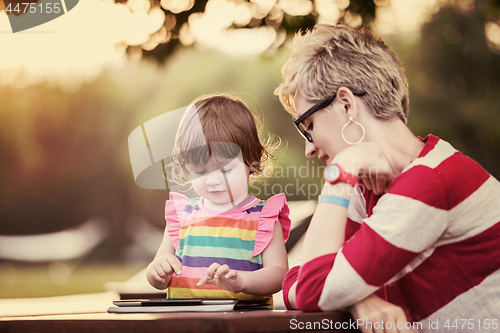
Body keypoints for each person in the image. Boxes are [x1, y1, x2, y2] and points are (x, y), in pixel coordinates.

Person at [274, 24, 500, 333]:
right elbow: (297, 280)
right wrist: (358, 298)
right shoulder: (369, 190)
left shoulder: (431, 181)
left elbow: (315, 286)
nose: (309, 148)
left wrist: (341, 170)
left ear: (345, 104)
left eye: (308, 124)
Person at [146, 94, 290, 305]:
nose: (213, 180)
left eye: (225, 169)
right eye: (200, 170)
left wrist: (242, 281)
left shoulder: (263, 218)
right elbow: (158, 275)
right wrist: (157, 271)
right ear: (186, 168)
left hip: (244, 323)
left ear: (252, 162)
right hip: (184, 321)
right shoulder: (182, 215)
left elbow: (278, 275)